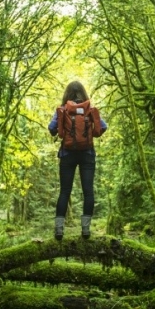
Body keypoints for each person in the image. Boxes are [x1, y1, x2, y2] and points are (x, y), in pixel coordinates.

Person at [48, 81, 107, 240]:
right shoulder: (89, 109)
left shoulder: (63, 109)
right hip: (87, 154)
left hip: (67, 154)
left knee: (64, 191)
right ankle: (86, 230)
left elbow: (52, 129)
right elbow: (103, 127)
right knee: (88, 191)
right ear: (83, 93)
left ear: (67, 94)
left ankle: (59, 230)